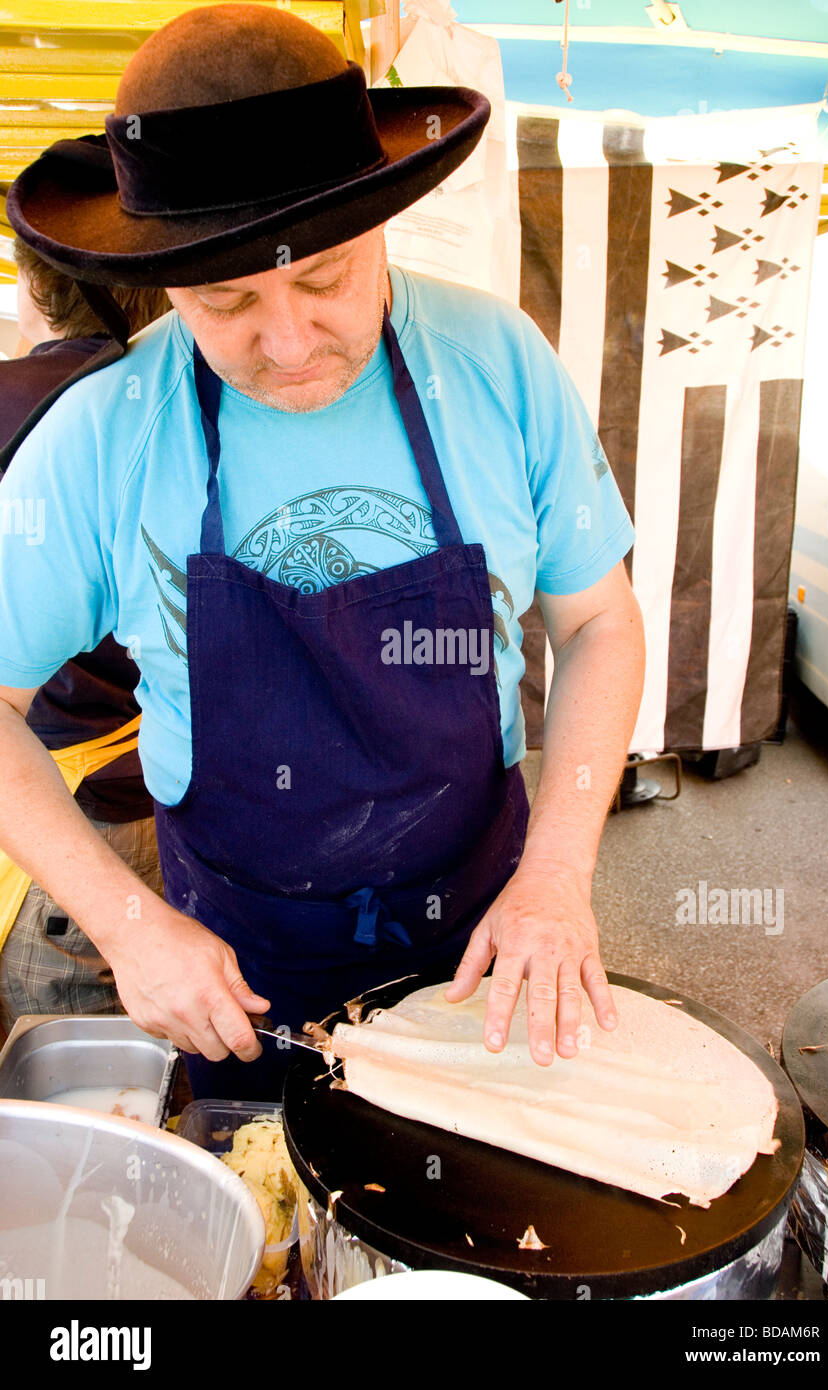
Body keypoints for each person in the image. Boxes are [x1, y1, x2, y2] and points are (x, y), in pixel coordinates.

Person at [0, 3, 645, 1099]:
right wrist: (127, 923)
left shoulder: (499, 363)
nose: (289, 344)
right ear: (163, 278)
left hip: (487, 933)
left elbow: (600, 624)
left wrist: (560, 871)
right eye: (227, 300)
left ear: (384, 220)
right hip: (242, 967)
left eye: (324, 278)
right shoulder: (106, 433)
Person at [0, 243, 170, 1031]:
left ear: (35, 281)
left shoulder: (12, 396)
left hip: (43, 800)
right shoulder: (177, 399)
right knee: (132, 1018)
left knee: (55, 1031)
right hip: (156, 778)